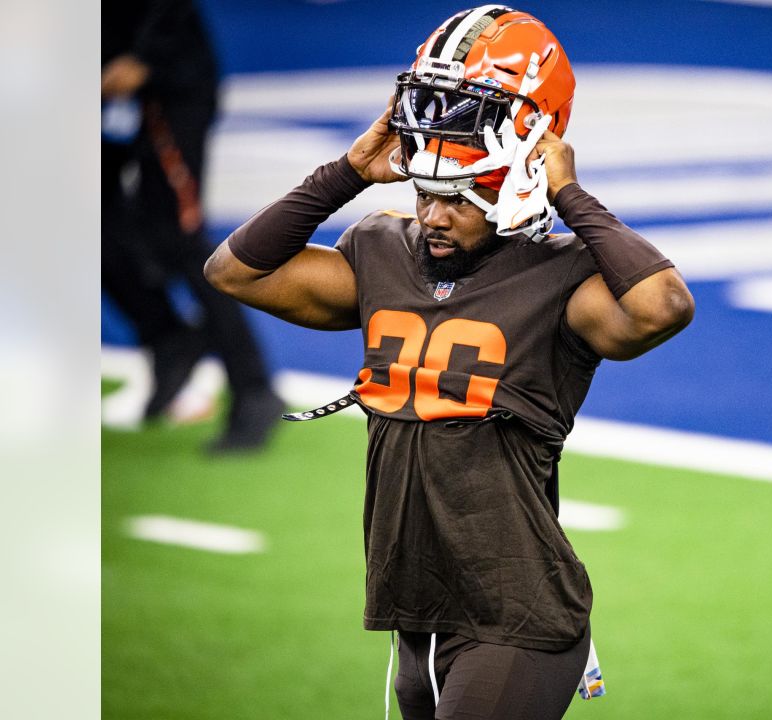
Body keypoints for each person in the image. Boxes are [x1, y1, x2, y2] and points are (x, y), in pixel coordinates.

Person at [204, 7, 694, 719]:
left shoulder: (564, 279)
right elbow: (235, 273)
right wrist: (345, 172)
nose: (432, 216)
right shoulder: (381, 251)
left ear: (514, 185)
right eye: (425, 193)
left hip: (515, 614)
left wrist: (569, 193)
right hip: (416, 611)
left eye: (457, 199)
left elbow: (662, 307)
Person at [103, 0, 283, 451]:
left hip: (167, 84)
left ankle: (253, 387)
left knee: (179, 237)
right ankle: (166, 336)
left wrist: (146, 59)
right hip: (102, 80)